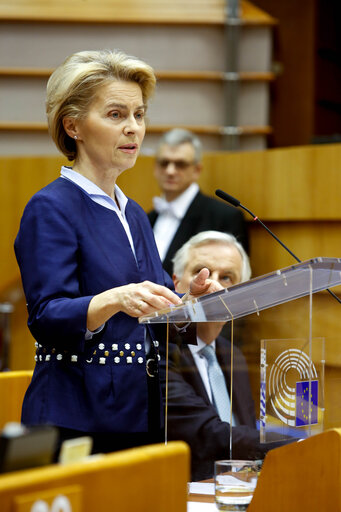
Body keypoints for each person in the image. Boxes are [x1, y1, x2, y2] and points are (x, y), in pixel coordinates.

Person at [14, 50, 222, 455]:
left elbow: (161, 319)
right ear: (73, 125)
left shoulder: (134, 214)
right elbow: (46, 316)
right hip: (75, 417)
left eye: (139, 115)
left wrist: (192, 304)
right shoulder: (51, 207)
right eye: (115, 115)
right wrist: (114, 299)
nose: (134, 129)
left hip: (141, 411)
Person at [166, 231, 286, 481]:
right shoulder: (162, 352)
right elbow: (209, 434)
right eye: (202, 273)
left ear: (242, 295)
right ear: (176, 284)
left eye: (228, 278)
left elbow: (243, 433)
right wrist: (293, 441)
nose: (214, 286)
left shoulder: (233, 355)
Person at [148, 128, 249, 276]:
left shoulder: (224, 217)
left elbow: (235, 278)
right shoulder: (146, 218)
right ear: (156, 168)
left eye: (180, 164)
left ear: (197, 170)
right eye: (164, 163)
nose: (170, 171)